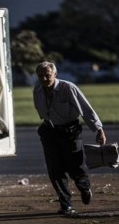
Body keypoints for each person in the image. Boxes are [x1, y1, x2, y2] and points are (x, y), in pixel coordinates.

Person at [33, 61, 106, 215]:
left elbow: (86, 109)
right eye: (41, 75)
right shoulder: (37, 89)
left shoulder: (68, 88)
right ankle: (66, 204)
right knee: (55, 169)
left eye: (48, 75)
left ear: (55, 74)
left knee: (75, 166)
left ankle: (84, 188)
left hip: (70, 131)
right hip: (50, 131)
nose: (44, 78)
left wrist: (99, 130)